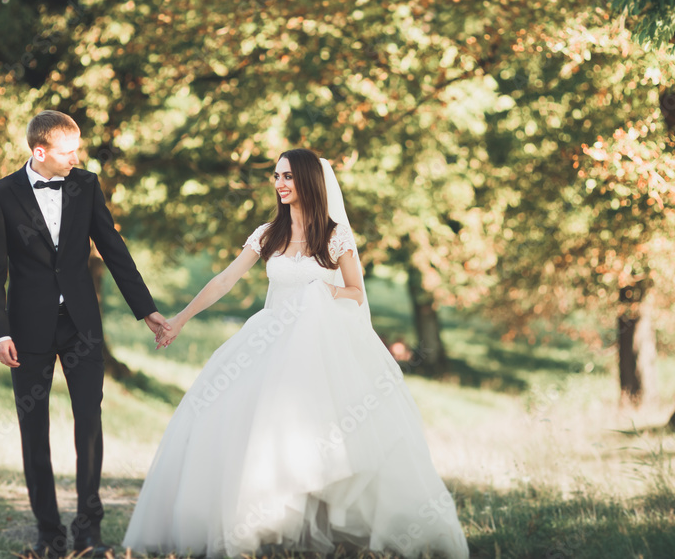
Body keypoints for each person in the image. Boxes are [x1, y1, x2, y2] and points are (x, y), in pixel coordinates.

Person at [123, 149, 469, 558]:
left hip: (324, 349)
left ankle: (333, 530)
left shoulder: (335, 234)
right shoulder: (268, 232)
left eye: (287, 176)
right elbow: (225, 279)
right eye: (276, 176)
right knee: (241, 423)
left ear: (306, 180)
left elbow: (357, 293)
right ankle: (258, 525)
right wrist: (180, 319)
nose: (280, 184)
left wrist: (324, 292)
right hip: (269, 342)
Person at [0, 110, 170, 559]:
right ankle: (48, 533)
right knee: (34, 429)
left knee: (89, 422)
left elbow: (113, 248)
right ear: (39, 151)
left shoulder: (85, 185)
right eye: (67, 152)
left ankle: (88, 531)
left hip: (81, 325)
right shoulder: (2, 195)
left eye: (77, 150)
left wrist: (147, 311)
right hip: (27, 331)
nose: (75, 158)